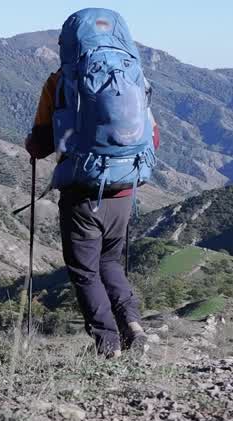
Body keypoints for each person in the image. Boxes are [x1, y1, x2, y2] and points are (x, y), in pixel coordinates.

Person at [25, 8, 159, 357]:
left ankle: (107, 344)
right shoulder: (134, 77)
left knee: (85, 272)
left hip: (82, 193)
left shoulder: (59, 82)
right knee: (110, 263)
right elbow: (153, 138)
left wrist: (32, 144)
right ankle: (134, 328)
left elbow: (40, 145)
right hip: (125, 190)